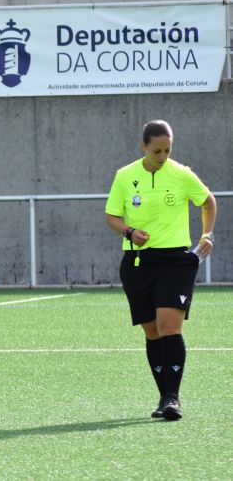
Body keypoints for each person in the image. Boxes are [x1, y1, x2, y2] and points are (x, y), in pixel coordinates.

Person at [105, 120, 216, 421]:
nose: (163, 156)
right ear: (144, 146)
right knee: (153, 332)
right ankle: (163, 396)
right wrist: (129, 232)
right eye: (157, 151)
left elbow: (208, 202)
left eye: (168, 150)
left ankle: (173, 398)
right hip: (138, 263)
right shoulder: (125, 176)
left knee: (170, 327)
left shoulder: (181, 174)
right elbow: (112, 216)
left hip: (176, 261)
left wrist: (206, 235)